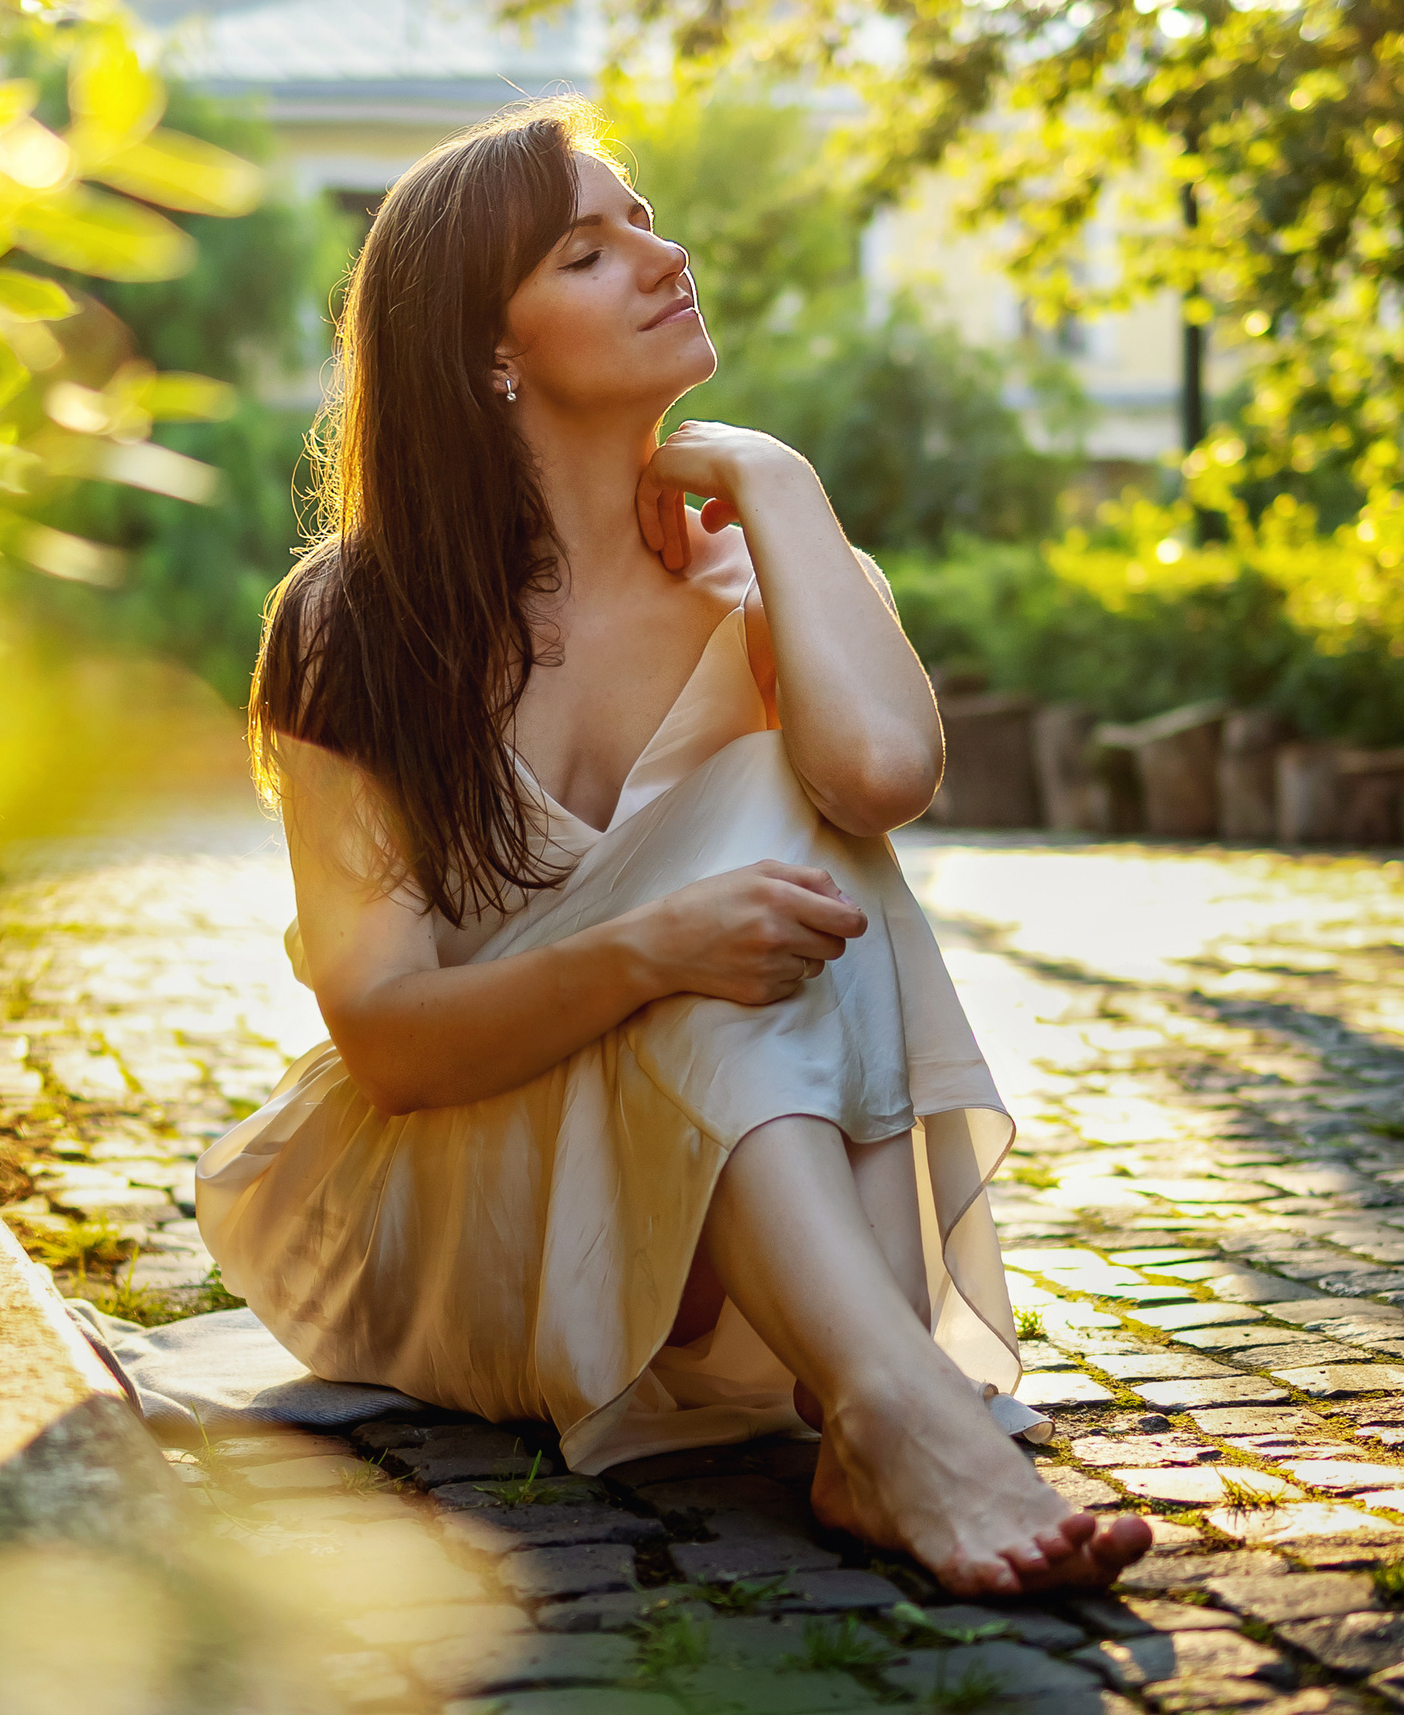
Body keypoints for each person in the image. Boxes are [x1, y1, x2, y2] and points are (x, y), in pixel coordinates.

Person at [197, 97, 1151, 1596]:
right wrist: (650, 947)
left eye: (644, 218)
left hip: (705, 1239)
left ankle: (876, 1406)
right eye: (589, 248)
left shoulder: (769, 569)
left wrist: (780, 486)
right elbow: (387, 1039)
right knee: (737, 882)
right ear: (484, 350)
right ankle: (894, 1395)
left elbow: (885, 773)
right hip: (446, 1211)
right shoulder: (352, 621)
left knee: (792, 810)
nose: (661, 253)